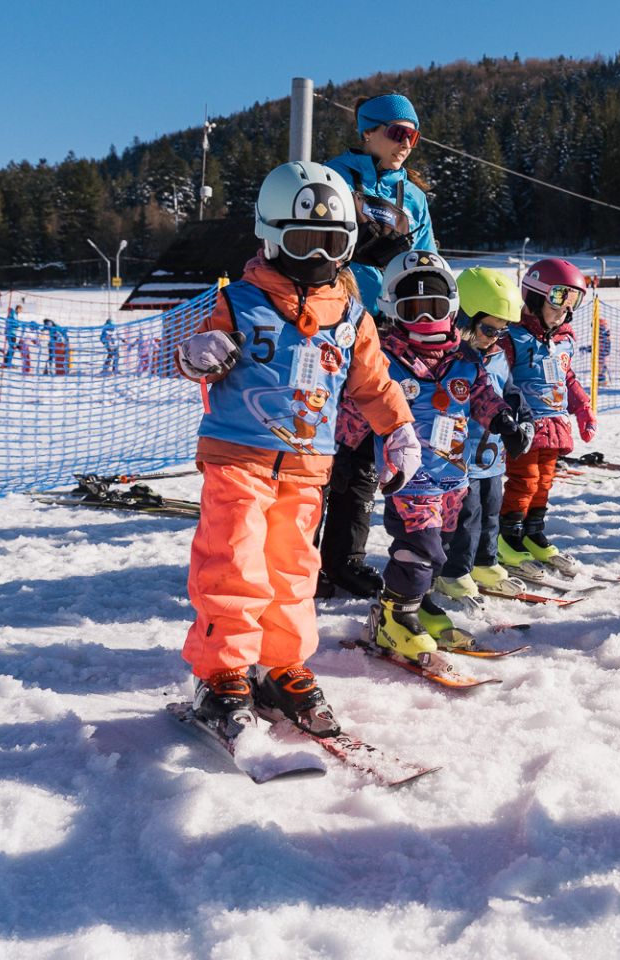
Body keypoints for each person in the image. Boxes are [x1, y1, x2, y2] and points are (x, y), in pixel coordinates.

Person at [174, 160, 419, 740]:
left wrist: (398, 430)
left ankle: (280, 664)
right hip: (239, 458)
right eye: (304, 242)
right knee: (233, 564)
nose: (318, 256)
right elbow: (196, 355)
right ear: (272, 235)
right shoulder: (239, 301)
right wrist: (199, 355)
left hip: (307, 468)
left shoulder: (351, 315)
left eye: (331, 244)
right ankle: (222, 674)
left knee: (293, 569)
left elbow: (374, 383)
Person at [366, 254, 526, 659]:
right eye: (412, 309)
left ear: (452, 308)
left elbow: (483, 395)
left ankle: (415, 601)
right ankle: (394, 619)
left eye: (434, 308)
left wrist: (504, 421)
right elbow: (358, 401)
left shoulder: (463, 360)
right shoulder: (383, 359)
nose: (424, 319)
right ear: (393, 309)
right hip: (410, 477)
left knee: (442, 544)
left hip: (453, 474)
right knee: (420, 547)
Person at [318, 92, 439, 600]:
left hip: (386, 332)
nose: (406, 143)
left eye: (413, 135)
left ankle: (343, 559)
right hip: (330, 322)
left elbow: (427, 260)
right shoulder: (333, 177)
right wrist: (366, 247)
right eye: (397, 132)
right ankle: (298, 558)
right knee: (320, 448)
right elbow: (318, 241)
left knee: (365, 449)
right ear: (367, 131)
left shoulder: (414, 198)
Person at [435, 268, 536, 608]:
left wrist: (524, 419)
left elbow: (511, 392)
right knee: (466, 516)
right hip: (460, 459)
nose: (494, 338)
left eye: (501, 331)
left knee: (492, 510)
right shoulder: (453, 361)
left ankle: (484, 561)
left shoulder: (497, 356)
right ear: (464, 319)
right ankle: (453, 570)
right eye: (488, 329)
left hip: (492, 456)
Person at [497, 258, 597, 577]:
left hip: (554, 425)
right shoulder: (513, 336)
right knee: (524, 481)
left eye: (573, 301)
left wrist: (582, 408)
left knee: (544, 482)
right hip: (525, 426)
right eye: (559, 298)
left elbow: (568, 378)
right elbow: (498, 378)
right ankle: (508, 537)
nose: (565, 309)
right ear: (535, 295)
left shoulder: (564, 339)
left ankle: (533, 532)